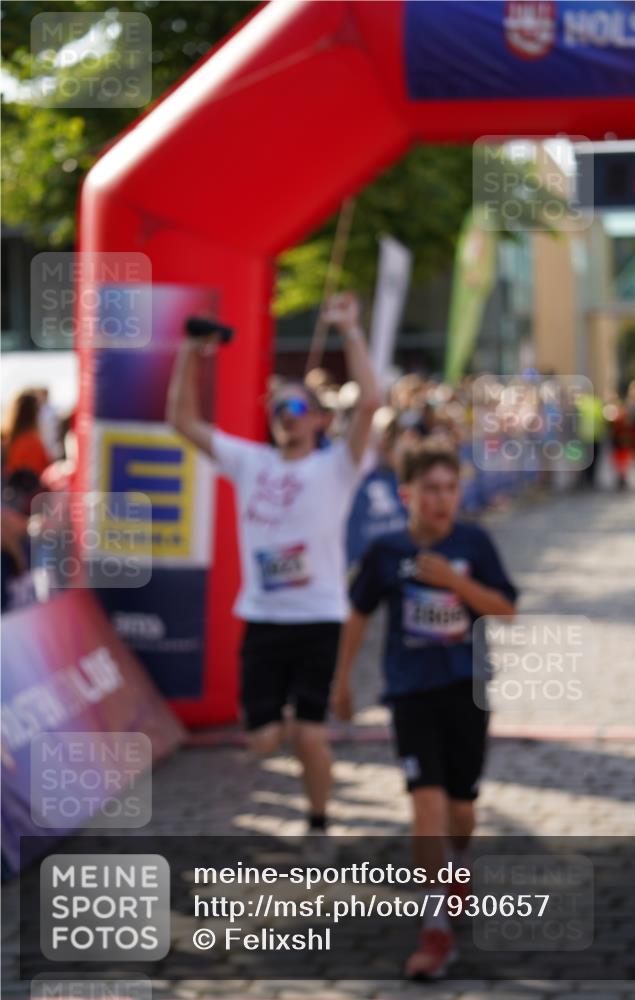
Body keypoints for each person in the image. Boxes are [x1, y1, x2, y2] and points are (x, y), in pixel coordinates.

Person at [166, 292, 379, 833]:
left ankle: (319, 821)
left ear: (320, 419)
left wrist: (349, 330)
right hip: (262, 619)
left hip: (317, 619)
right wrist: (192, 352)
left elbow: (373, 402)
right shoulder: (249, 461)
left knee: (310, 735)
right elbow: (181, 421)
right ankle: (282, 719)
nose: (287, 414)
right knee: (261, 740)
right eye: (279, 407)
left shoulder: (338, 467)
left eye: (298, 407)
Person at [331, 441, 518, 979]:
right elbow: (359, 614)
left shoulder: (474, 542)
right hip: (410, 692)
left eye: (450, 488)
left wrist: (457, 583)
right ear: (407, 494)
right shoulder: (387, 551)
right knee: (427, 805)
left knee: (461, 810)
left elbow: (506, 612)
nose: (442, 499)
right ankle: (435, 928)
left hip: (466, 689)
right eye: (431, 489)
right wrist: (342, 682)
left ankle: (458, 865)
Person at [3, 390, 51, 479]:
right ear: (34, 415)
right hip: (29, 490)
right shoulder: (33, 444)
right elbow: (44, 471)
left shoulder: (5, 440)